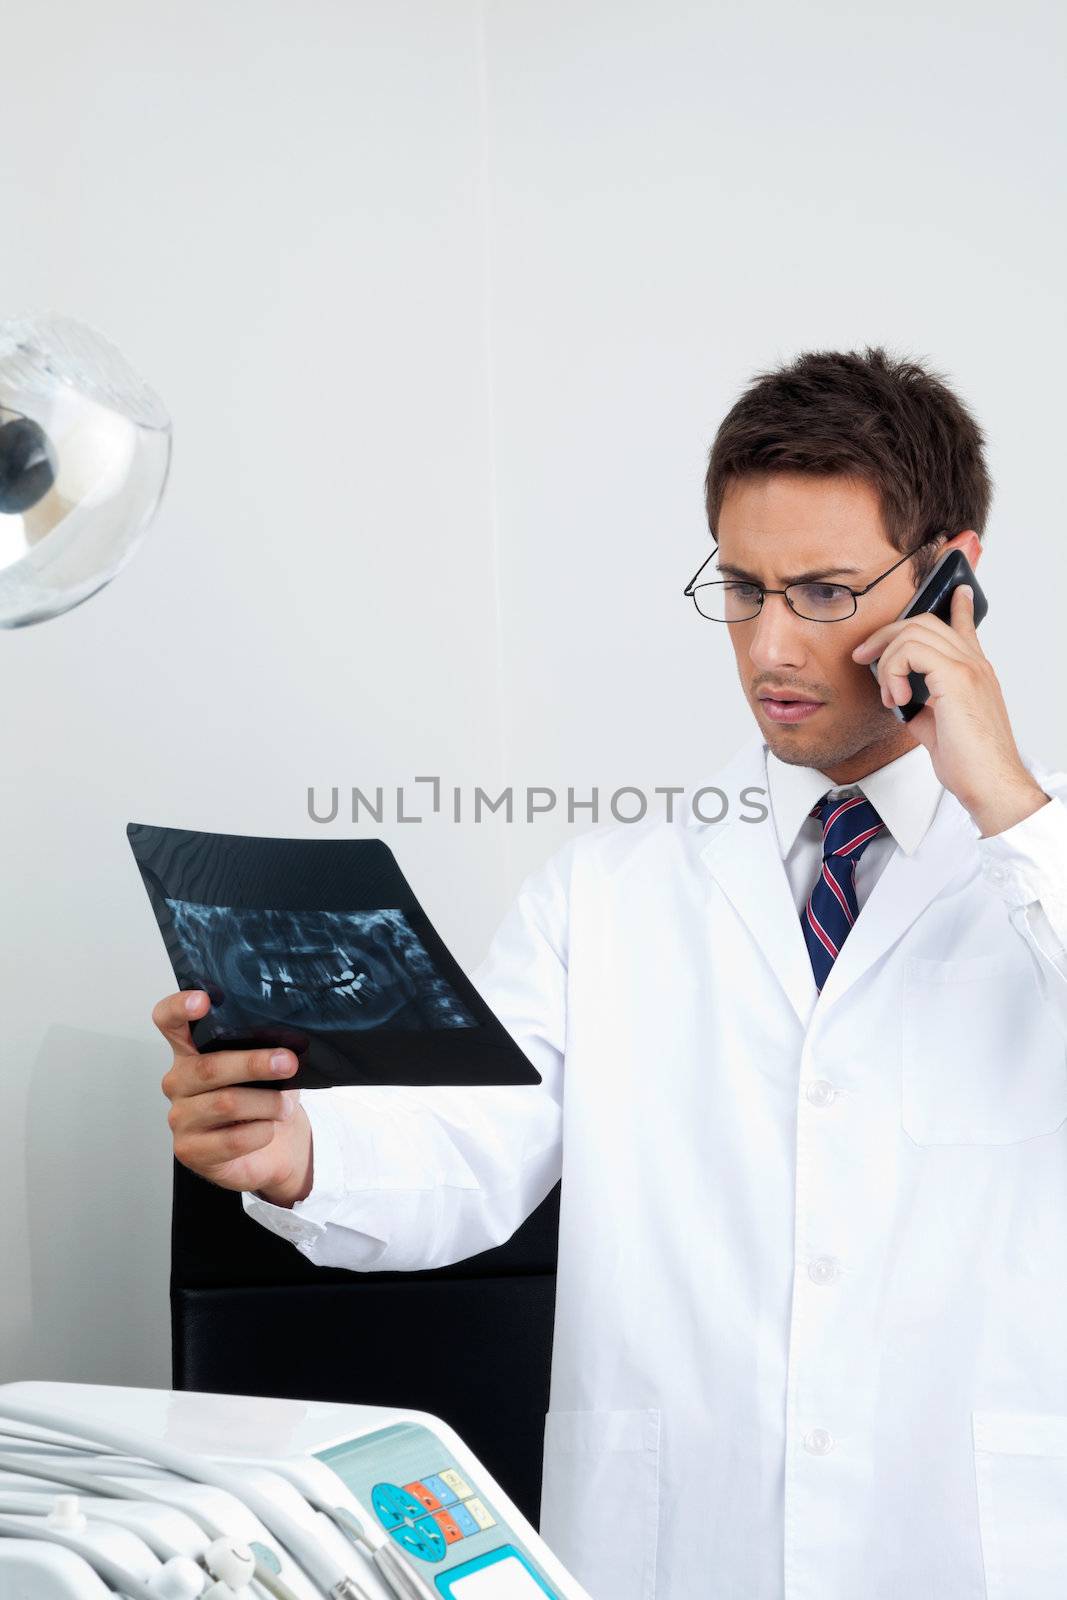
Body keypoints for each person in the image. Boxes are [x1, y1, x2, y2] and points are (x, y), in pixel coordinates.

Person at [154, 346, 1067, 1600]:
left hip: (964, 1553)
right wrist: (296, 1154)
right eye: (742, 589)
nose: (767, 646)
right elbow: (473, 1149)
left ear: (950, 576)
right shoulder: (611, 889)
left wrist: (1005, 801)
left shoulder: (1034, 865)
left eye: (822, 590)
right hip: (675, 1554)